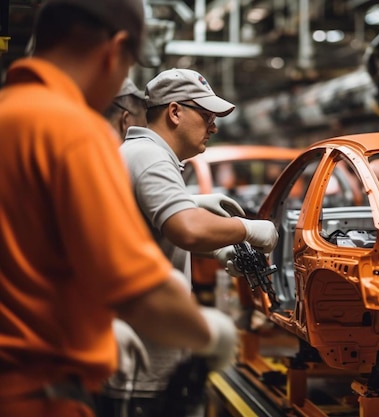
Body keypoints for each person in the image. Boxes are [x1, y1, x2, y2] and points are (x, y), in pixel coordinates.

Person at [0, 1, 233, 417]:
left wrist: (93, 323)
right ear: (115, 50)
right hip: (39, 395)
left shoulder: (11, 115)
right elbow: (138, 291)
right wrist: (208, 334)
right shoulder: (72, 131)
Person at [106, 68, 279, 417]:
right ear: (174, 112)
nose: (213, 127)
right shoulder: (151, 158)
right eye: (207, 116)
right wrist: (246, 229)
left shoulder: (136, 153)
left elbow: (150, 233)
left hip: (130, 346)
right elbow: (186, 229)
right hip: (144, 360)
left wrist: (215, 246)